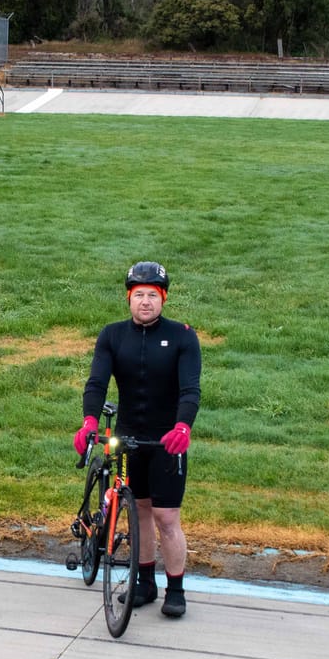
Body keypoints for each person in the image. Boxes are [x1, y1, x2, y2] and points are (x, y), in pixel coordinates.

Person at [77, 261, 201, 617]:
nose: (145, 301)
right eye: (138, 295)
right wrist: (89, 421)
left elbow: (190, 390)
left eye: (152, 295)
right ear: (128, 298)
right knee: (140, 512)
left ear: (163, 299)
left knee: (166, 517)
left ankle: (175, 589)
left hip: (167, 441)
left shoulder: (182, 337)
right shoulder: (112, 336)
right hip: (129, 437)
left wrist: (183, 427)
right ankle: (144, 582)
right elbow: (97, 383)